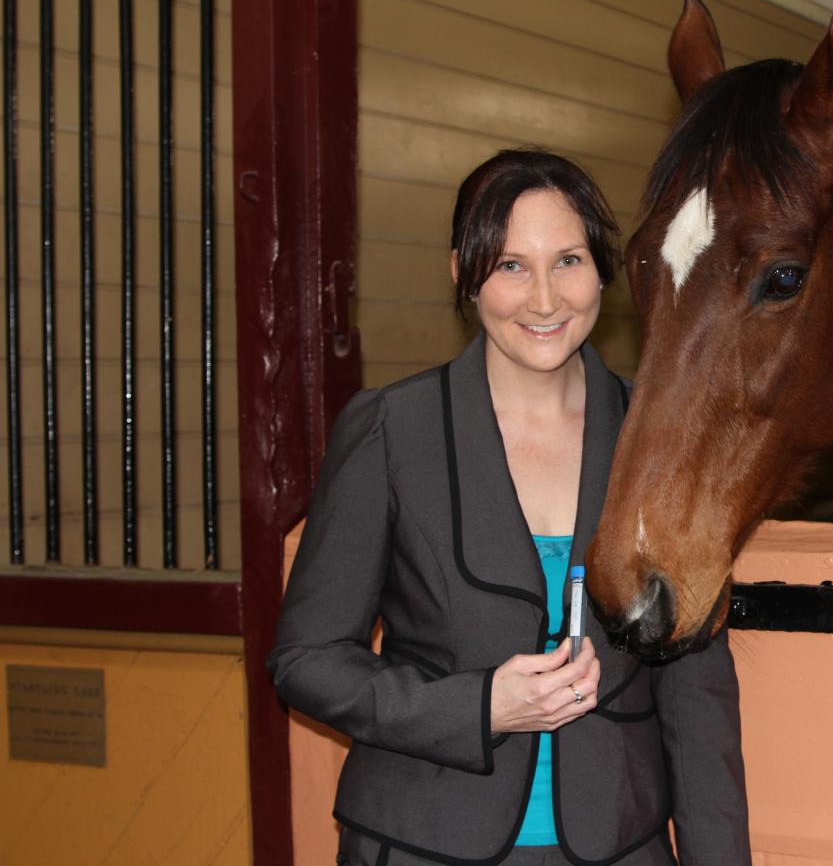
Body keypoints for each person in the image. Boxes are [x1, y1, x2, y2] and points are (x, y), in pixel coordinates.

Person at [268, 149, 750, 866]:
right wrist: (478, 707)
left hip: (622, 844)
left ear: (603, 269)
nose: (545, 300)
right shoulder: (392, 431)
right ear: (462, 273)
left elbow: (696, 699)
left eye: (568, 261)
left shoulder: (664, 439)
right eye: (511, 266)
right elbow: (306, 661)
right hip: (420, 844)